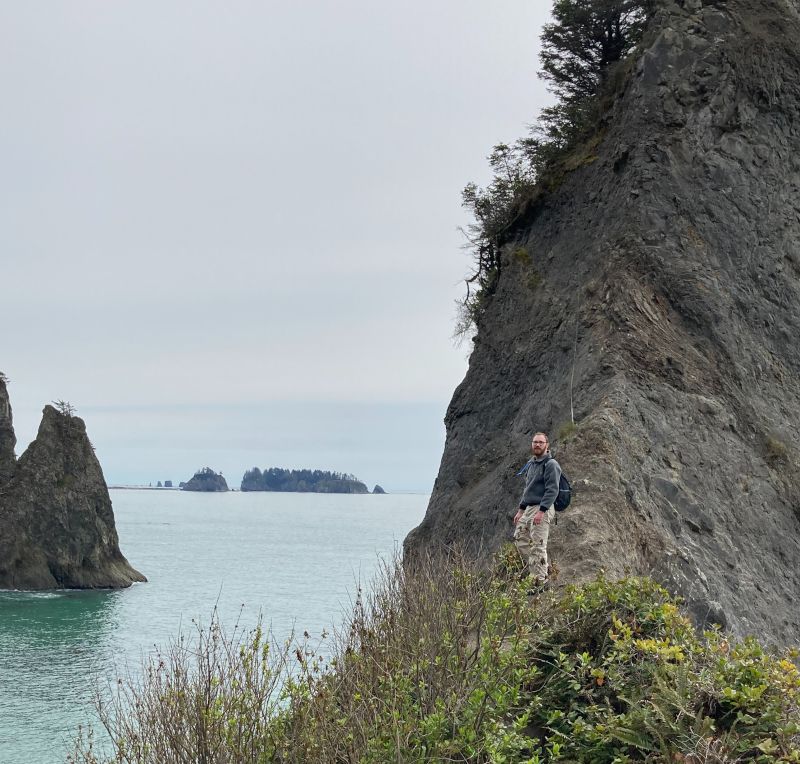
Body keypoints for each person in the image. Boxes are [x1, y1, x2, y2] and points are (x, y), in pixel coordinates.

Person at [513, 432, 561, 586]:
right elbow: (528, 489)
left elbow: (552, 490)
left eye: (541, 442)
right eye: (535, 442)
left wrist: (542, 511)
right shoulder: (531, 463)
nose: (537, 445)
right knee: (519, 538)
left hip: (542, 508)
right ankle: (544, 568)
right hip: (528, 508)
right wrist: (521, 510)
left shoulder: (551, 464)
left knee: (538, 545)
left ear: (547, 445)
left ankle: (540, 582)